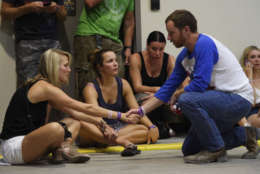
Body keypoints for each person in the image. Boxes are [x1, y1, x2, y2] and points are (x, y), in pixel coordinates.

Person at [127, 9, 258, 164]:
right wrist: (141, 111)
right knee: (189, 148)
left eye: (172, 33)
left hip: (239, 99)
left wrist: (178, 94)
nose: (168, 38)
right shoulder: (184, 56)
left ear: (186, 30)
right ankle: (246, 135)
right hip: (219, 102)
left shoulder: (204, 44)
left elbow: (200, 84)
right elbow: (167, 89)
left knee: (187, 99)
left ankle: (216, 149)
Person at [0, 49, 139, 165]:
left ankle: (62, 151)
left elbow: (77, 113)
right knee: (57, 128)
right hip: (14, 149)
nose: (69, 70)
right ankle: (61, 150)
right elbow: (86, 108)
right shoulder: (44, 87)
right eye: (65, 66)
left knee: (74, 122)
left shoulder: (46, 87)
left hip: (27, 144)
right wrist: (120, 115)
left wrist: (103, 124)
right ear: (54, 67)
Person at [79, 49, 159, 156]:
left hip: (118, 129)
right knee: (82, 125)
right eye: (110, 61)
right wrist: (107, 129)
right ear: (100, 67)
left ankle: (107, 142)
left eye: (116, 60)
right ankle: (109, 140)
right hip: (99, 127)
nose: (115, 64)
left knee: (144, 130)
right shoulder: (90, 88)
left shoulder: (123, 84)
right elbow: (96, 115)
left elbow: (137, 110)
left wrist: (151, 127)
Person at [129, 31, 189, 138]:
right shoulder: (136, 58)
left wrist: (162, 94)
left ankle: (171, 126)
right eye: (154, 49)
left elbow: (175, 85)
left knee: (177, 99)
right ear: (147, 46)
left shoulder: (169, 59)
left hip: (161, 95)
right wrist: (157, 90)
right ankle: (152, 127)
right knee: (148, 99)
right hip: (142, 95)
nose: (157, 53)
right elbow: (137, 87)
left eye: (161, 49)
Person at [74, 0, 135, 100]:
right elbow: (90, 2)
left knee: (117, 80)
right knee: (88, 83)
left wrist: (128, 48)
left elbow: (129, 21)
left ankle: (111, 114)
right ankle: (87, 114)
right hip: (91, 35)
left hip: (114, 39)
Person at [1, 0, 67, 87]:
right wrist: (27, 8)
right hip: (27, 42)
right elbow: (4, 12)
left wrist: (56, 8)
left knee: (55, 85)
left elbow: (63, 16)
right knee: (27, 86)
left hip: (52, 41)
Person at [238, 45, 260, 158]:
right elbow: (252, 101)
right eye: (253, 57)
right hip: (250, 112)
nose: (257, 59)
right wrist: (250, 76)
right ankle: (253, 142)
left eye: (259, 56)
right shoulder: (242, 78)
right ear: (246, 61)